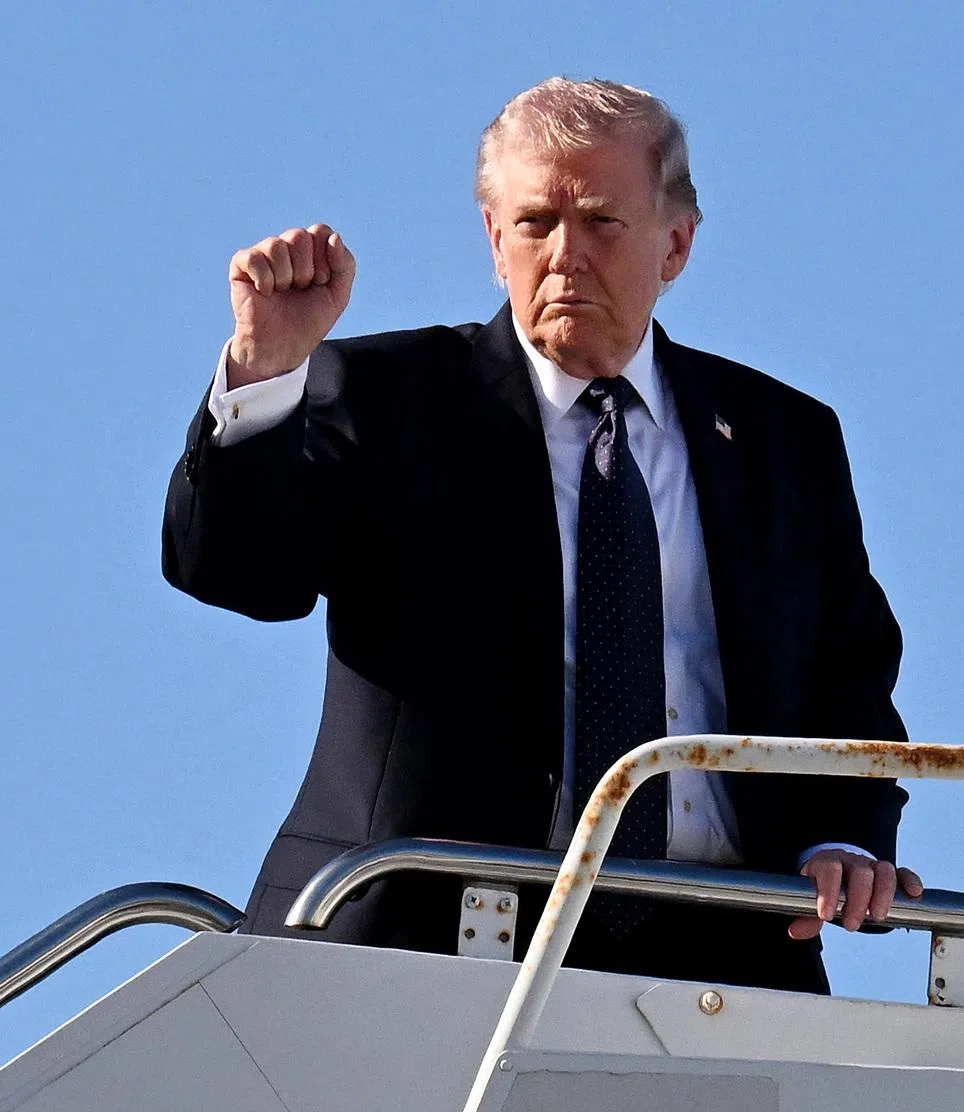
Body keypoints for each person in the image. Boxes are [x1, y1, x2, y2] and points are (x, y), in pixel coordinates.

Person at [163, 77, 922, 994]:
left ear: (675, 242)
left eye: (601, 221)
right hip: (425, 942)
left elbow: (846, 667)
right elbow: (240, 573)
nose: (564, 255)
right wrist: (265, 372)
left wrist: (843, 835)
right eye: (532, 224)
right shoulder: (389, 396)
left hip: (726, 952)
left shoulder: (779, 437)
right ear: (494, 241)